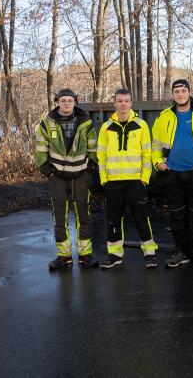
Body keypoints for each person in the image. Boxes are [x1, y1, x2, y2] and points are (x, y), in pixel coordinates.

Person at [151, 79, 193, 268]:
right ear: (172, 95)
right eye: (177, 91)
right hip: (172, 173)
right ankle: (181, 252)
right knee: (177, 216)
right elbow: (155, 144)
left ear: (189, 92)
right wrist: (159, 163)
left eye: (183, 91)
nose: (180, 94)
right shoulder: (164, 117)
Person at [35, 88, 99, 270]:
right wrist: (48, 171)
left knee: (83, 215)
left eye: (70, 101)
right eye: (63, 101)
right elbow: (40, 147)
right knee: (59, 216)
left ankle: (85, 254)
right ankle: (64, 256)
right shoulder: (48, 123)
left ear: (75, 102)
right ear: (57, 102)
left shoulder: (85, 122)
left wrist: (89, 168)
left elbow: (93, 147)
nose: (66, 104)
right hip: (58, 177)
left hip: (80, 176)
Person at [97, 89, 158, 269]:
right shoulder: (106, 127)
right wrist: (104, 180)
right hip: (113, 182)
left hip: (135, 182)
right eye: (119, 101)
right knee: (113, 219)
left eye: (126, 101)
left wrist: (144, 179)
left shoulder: (141, 125)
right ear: (115, 103)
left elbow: (147, 154)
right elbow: (101, 156)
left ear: (131, 103)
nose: (123, 104)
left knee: (142, 217)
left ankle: (149, 253)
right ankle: (115, 254)